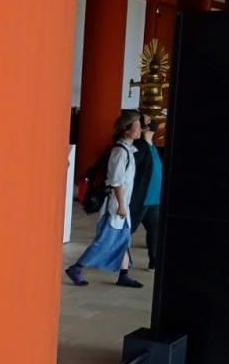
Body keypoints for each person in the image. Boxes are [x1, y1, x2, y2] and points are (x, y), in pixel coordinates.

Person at [66, 110, 143, 288]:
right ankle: (77, 267)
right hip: (115, 205)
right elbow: (116, 181)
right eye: (137, 126)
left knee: (124, 240)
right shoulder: (120, 152)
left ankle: (124, 274)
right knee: (105, 241)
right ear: (127, 129)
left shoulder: (128, 151)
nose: (140, 129)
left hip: (122, 204)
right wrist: (121, 205)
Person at [129, 114, 163, 269]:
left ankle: (154, 260)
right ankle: (122, 260)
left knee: (154, 231)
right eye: (148, 120)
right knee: (129, 229)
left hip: (154, 198)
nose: (152, 121)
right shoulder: (140, 146)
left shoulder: (153, 146)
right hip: (142, 197)